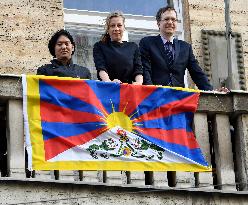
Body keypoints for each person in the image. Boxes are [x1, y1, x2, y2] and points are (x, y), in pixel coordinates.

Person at [139, 6, 213, 90]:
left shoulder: (185, 47)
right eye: (166, 19)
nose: (170, 22)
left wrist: (213, 93)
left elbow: (197, 73)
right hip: (156, 96)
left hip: (178, 98)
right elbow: (145, 70)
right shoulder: (147, 43)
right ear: (158, 23)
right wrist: (150, 91)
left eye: (173, 19)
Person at [93, 11, 143, 85]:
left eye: (119, 25)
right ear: (108, 29)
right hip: (107, 90)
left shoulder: (133, 47)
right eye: (112, 25)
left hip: (128, 91)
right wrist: (109, 82)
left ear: (124, 28)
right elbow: (101, 68)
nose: (116, 28)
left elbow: (138, 70)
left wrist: (139, 83)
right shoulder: (100, 46)